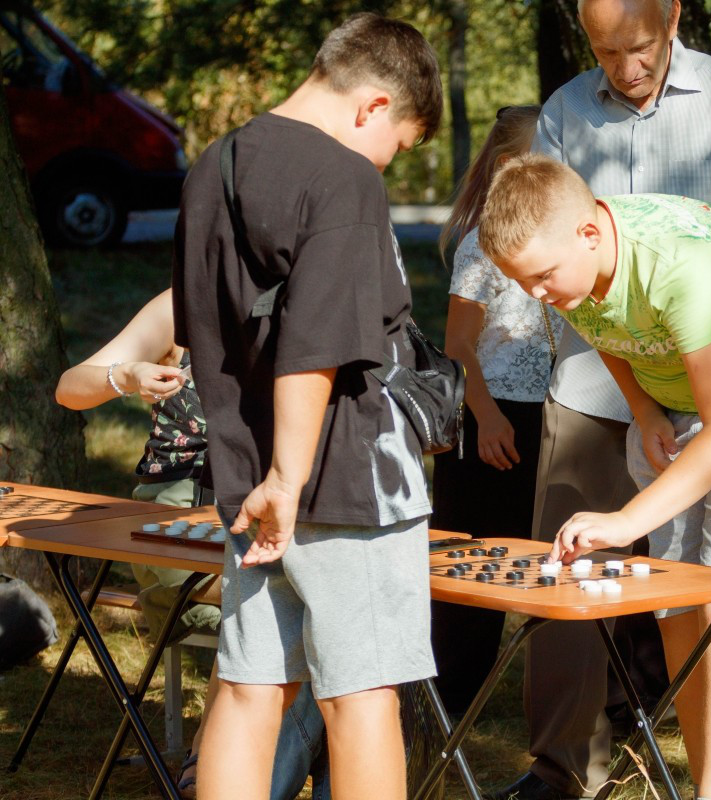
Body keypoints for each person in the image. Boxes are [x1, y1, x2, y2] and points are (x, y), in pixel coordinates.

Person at [505, 1, 711, 798]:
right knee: (597, 572)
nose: (624, 67)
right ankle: (564, 766)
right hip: (605, 377)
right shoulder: (565, 112)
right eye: (605, 52)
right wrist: (643, 396)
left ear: (673, 16)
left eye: (637, 47)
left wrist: (693, 338)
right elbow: (562, 267)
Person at [171, 14, 442, 800]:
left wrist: (267, 478)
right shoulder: (342, 178)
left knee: (250, 688)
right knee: (362, 695)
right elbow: (315, 345)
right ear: (373, 105)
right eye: (400, 143)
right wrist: (291, 477)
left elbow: (207, 332)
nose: (389, 163)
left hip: (245, 476)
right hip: (342, 480)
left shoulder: (210, 166)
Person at [55, 289, 330, 800]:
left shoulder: (312, 292)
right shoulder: (186, 302)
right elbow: (71, 387)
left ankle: (230, 765)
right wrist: (129, 376)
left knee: (325, 613)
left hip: (270, 528)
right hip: (181, 541)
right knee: (301, 621)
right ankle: (243, 773)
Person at [429, 104, 564, 714]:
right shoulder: (482, 245)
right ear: (511, 165)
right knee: (473, 555)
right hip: (492, 413)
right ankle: (449, 692)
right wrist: (484, 416)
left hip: (554, 410)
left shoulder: (559, 237)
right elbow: (457, 344)